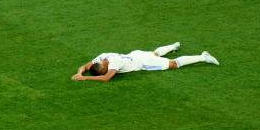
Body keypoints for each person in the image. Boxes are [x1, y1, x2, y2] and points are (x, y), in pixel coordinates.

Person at [71, 42, 219, 82]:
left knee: (173, 64)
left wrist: (84, 77)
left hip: (142, 62)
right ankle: (173, 46)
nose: (107, 70)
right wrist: (79, 72)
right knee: (155, 53)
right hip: (136, 54)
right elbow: (85, 66)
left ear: (103, 67)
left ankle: (203, 57)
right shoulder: (102, 57)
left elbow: (106, 78)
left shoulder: (113, 64)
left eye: (105, 69)